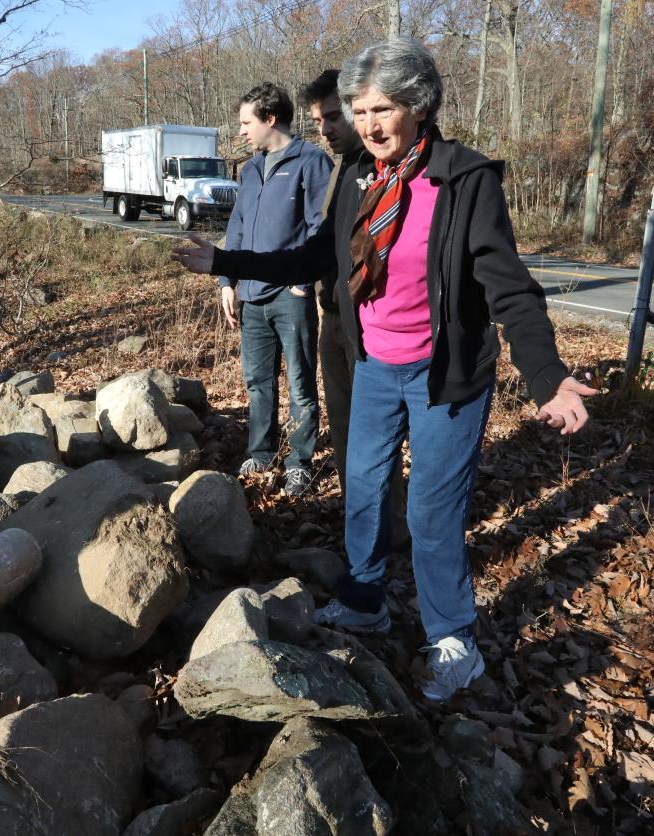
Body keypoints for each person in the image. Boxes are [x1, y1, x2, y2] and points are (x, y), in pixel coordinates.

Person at [173, 39, 595, 702]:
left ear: (418, 106)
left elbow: (510, 289)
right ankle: (365, 597)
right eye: (359, 110)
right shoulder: (361, 180)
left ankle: (455, 641)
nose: (369, 124)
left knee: (430, 508)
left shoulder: (464, 180)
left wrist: (545, 375)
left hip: (443, 377)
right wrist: (225, 262)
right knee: (363, 487)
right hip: (374, 365)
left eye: (383, 109)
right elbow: (312, 259)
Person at [301, 70, 409, 556]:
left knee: (374, 440)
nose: (325, 128)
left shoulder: (382, 165)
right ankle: (361, 526)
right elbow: (329, 246)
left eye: (331, 117)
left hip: (366, 326)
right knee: (343, 429)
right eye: (318, 120)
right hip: (333, 316)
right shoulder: (343, 167)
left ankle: (391, 531)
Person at [220, 82, 332, 496]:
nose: (242, 132)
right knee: (257, 381)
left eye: (246, 123)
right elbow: (238, 227)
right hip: (250, 296)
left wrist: (304, 281)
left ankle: (300, 461)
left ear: (270, 119)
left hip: (291, 295)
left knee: (301, 382)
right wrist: (227, 281)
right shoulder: (250, 169)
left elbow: (321, 228)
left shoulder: (311, 161)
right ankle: (261, 453)